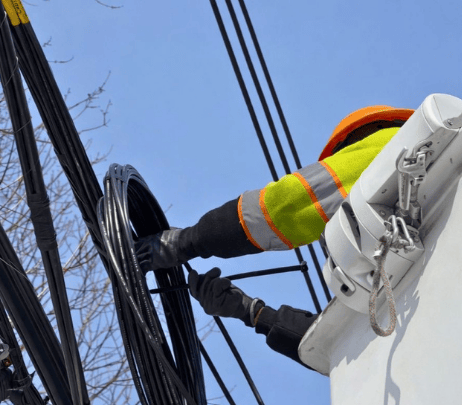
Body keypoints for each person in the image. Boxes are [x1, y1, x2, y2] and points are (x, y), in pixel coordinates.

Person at [137, 106, 414, 365]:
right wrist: (251, 312)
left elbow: (284, 207)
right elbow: (341, 350)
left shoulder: (394, 143)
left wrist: (187, 243)